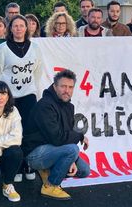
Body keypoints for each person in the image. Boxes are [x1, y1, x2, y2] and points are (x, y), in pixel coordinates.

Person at [22, 69, 90, 200]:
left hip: (53, 150)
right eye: (63, 86)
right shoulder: (45, 106)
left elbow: (66, 134)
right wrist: (79, 137)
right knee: (72, 149)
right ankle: (51, 186)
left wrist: (72, 159)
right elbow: (57, 138)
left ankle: (47, 170)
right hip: (35, 154)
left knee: (84, 170)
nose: (67, 90)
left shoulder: (69, 107)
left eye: (70, 87)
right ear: (55, 86)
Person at [0, 14, 41, 182]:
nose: (18, 28)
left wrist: (36, 92)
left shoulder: (35, 48)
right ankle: (14, 166)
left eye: (22, 25)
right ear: (10, 28)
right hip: (9, 97)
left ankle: (27, 163)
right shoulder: (3, 48)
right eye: (15, 25)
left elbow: (38, 72)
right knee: (10, 131)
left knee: (28, 131)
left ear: (27, 28)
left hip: (28, 95)